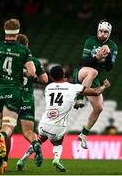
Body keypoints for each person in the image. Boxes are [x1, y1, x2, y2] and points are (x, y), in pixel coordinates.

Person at [17, 65, 110, 172]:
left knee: (39, 140)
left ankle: (22, 159)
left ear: (51, 77)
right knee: (57, 142)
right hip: (58, 126)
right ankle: (56, 159)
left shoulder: (48, 87)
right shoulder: (73, 87)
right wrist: (104, 86)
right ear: (64, 75)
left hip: (43, 125)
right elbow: (96, 92)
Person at [0, 18, 36, 174]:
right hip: (14, 92)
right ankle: (5, 158)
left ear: (5, 31)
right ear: (17, 33)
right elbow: (32, 73)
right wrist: (20, 72)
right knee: (7, 128)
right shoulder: (23, 50)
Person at [72, 19, 118, 149]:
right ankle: (79, 98)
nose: (102, 34)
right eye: (101, 31)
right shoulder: (90, 41)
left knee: (99, 108)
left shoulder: (113, 46)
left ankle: (83, 134)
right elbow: (84, 62)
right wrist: (96, 58)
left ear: (109, 33)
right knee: (91, 71)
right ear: (97, 31)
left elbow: (109, 68)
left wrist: (108, 55)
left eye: (105, 32)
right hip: (81, 72)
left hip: (95, 75)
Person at [15, 34, 48, 169]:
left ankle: (1, 161)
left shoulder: (10, 59)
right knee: (28, 131)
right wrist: (33, 78)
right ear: (27, 45)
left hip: (11, 97)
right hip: (27, 97)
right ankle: (36, 146)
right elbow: (45, 80)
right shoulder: (33, 61)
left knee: (6, 128)